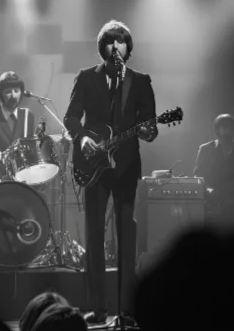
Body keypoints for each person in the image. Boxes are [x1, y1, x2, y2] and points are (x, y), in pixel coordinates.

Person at [63, 20, 158, 325]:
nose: (116, 47)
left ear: (129, 48)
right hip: (94, 166)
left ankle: (127, 309)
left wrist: (147, 131)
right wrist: (84, 138)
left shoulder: (141, 81)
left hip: (127, 167)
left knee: (126, 234)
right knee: (94, 234)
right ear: (102, 47)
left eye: (121, 42)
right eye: (110, 42)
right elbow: (71, 117)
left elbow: (150, 126)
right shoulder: (86, 77)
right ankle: (97, 307)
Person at [193, 114, 234, 233]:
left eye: (231, 127)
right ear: (217, 130)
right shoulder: (206, 149)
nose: (229, 130)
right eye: (225, 127)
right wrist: (209, 189)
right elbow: (198, 176)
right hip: (214, 206)